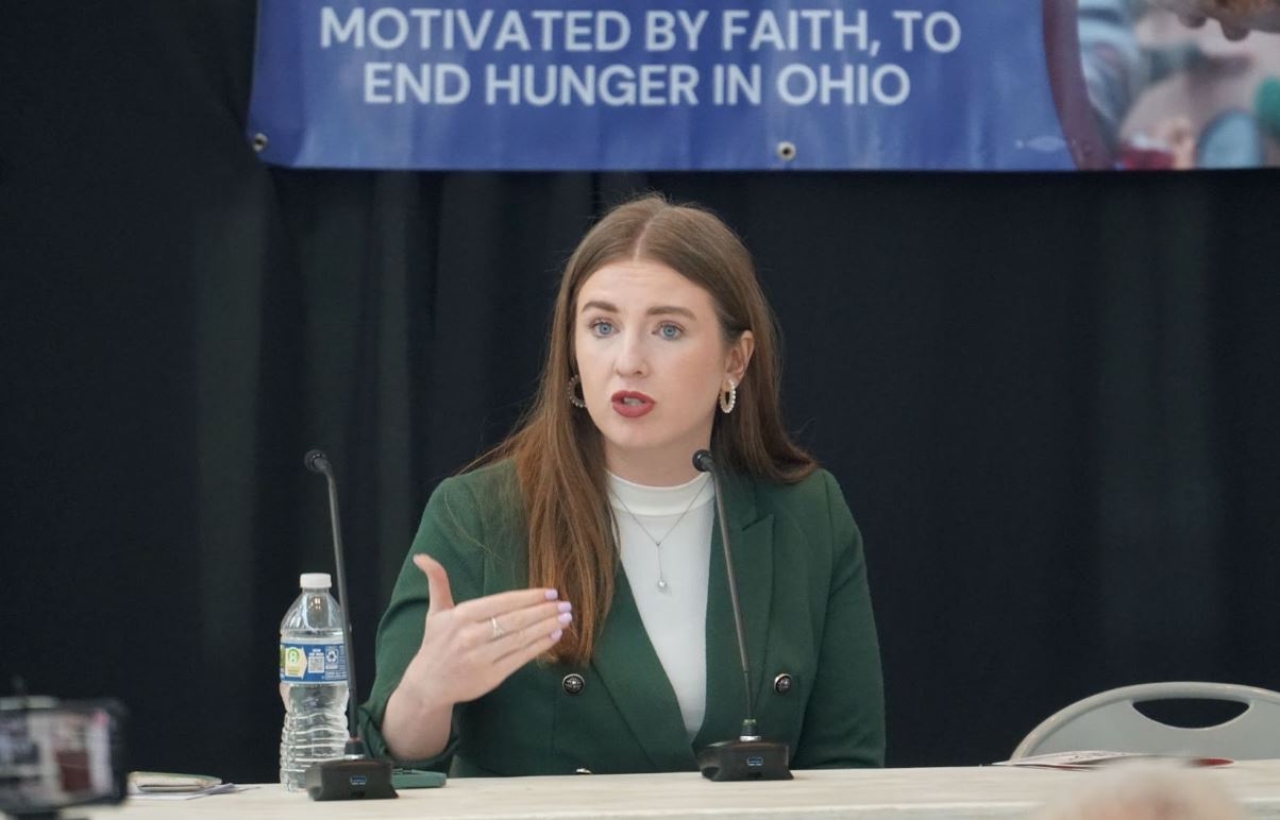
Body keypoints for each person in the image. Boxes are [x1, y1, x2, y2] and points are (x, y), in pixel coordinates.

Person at [356, 193, 885, 776]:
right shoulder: (478, 513)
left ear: (736, 360)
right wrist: (428, 691)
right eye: (603, 326)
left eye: (667, 330)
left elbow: (849, 766)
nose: (628, 360)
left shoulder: (808, 513)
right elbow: (387, 770)